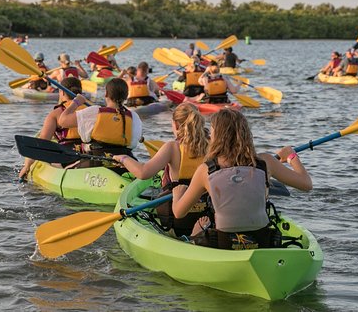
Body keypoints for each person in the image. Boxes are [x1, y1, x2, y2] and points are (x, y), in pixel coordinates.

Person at [172, 109, 312, 249]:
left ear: (217, 136)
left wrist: (177, 194)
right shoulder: (265, 162)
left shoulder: (205, 170)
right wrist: (291, 156)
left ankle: (196, 234)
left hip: (224, 243)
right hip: (262, 241)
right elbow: (306, 184)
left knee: (196, 233)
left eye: (212, 130)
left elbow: (179, 212)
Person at [113, 103, 209, 235]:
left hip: (177, 218)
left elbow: (143, 172)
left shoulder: (172, 148)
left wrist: (124, 158)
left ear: (175, 125)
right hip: (205, 215)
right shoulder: (212, 147)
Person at [58, 78, 142, 166]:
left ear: (106, 94)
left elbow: (62, 121)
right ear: (126, 96)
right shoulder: (134, 117)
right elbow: (132, 144)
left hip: (97, 161)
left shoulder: (94, 111)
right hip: (125, 161)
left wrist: (76, 102)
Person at [18, 77, 85, 180]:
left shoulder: (56, 113)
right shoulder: (91, 109)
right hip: (88, 153)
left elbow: (42, 144)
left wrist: (27, 166)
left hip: (67, 157)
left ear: (62, 92)